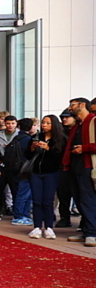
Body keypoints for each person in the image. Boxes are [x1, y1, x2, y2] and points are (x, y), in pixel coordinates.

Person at [63, 97, 96, 247]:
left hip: (87, 166)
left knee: (87, 200)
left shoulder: (93, 121)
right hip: (75, 166)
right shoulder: (78, 125)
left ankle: (91, 233)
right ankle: (86, 231)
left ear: (82, 105)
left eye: (72, 105)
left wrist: (85, 148)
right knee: (79, 200)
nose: (70, 108)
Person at [27, 115, 66, 239]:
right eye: (43, 122)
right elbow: (27, 155)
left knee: (48, 201)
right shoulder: (36, 137)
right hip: (35, 173)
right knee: (37, 200)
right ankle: (37, 227)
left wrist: (48, 148)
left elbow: (60, 158)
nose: (44, 125)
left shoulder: (60, 139)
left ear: (54, 124)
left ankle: (49, 227)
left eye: (48, 123)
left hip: (52, 173)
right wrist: (32, 148)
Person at [11, 117, 36, 226]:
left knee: (22, 192)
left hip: (17, 168)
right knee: (25, 193)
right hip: (26, 169)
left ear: (18, 126)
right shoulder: (28, 139)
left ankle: (22, 214)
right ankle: (21, 214)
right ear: (31, 127)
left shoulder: (16, 138)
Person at [56, 110, 78, 228]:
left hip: (76, 166)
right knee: (63, 195)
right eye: (62, 117)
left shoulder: (79, 131)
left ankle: (84, 221)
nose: (64, 119)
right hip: (63, 167)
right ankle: (64, 217)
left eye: (67, 117)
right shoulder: (61, 132)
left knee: (79, 196)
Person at [0, 115, 21, 217]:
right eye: (8, 123)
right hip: (1, 164)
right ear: (4, 124)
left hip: (14, 165)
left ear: (16, 124)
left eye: (12, 123)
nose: (10, 126)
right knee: (0, 190)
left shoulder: (19, 134)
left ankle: (16, 211)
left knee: (15, 189)